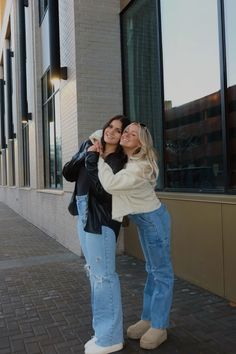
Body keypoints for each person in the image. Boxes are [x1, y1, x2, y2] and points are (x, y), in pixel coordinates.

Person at [96, 122, 174, 350]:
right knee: (152, 271)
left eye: (133, 134)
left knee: (162, 273)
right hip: (144, 220)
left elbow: (110, 184)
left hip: (153, 220)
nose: (126, 135)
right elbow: (97, 135)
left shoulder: (141, 167)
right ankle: (148, 319)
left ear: (141, 142)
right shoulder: (128, 159)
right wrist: (101, 140)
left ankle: (160, 326)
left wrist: (98, 158)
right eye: (126, 131)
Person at [63, 115, 130, 354]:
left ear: (122, 137)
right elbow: (68, 173)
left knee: (104, 277)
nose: (111, 131)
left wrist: (92, 159)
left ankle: (110, 338)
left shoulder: (119, 161)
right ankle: (102, 332)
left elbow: (103, 193)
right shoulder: (89, 144)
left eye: (118, 129)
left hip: (101, 219)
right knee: (95, 275)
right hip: (82, 210)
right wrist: (87, 152)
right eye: (109, 126)